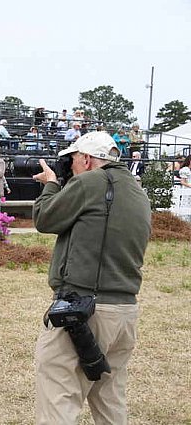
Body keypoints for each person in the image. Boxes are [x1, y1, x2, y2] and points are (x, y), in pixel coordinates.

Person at [31, 131, 151, 424]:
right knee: (110, 399)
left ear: (86, 159)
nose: (69, 166)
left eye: (71, 160)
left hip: (85, 310)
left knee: (59, 393)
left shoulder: (90, 182)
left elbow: (45, 218)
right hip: (124, 312)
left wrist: (51, 185)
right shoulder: (138, 193)